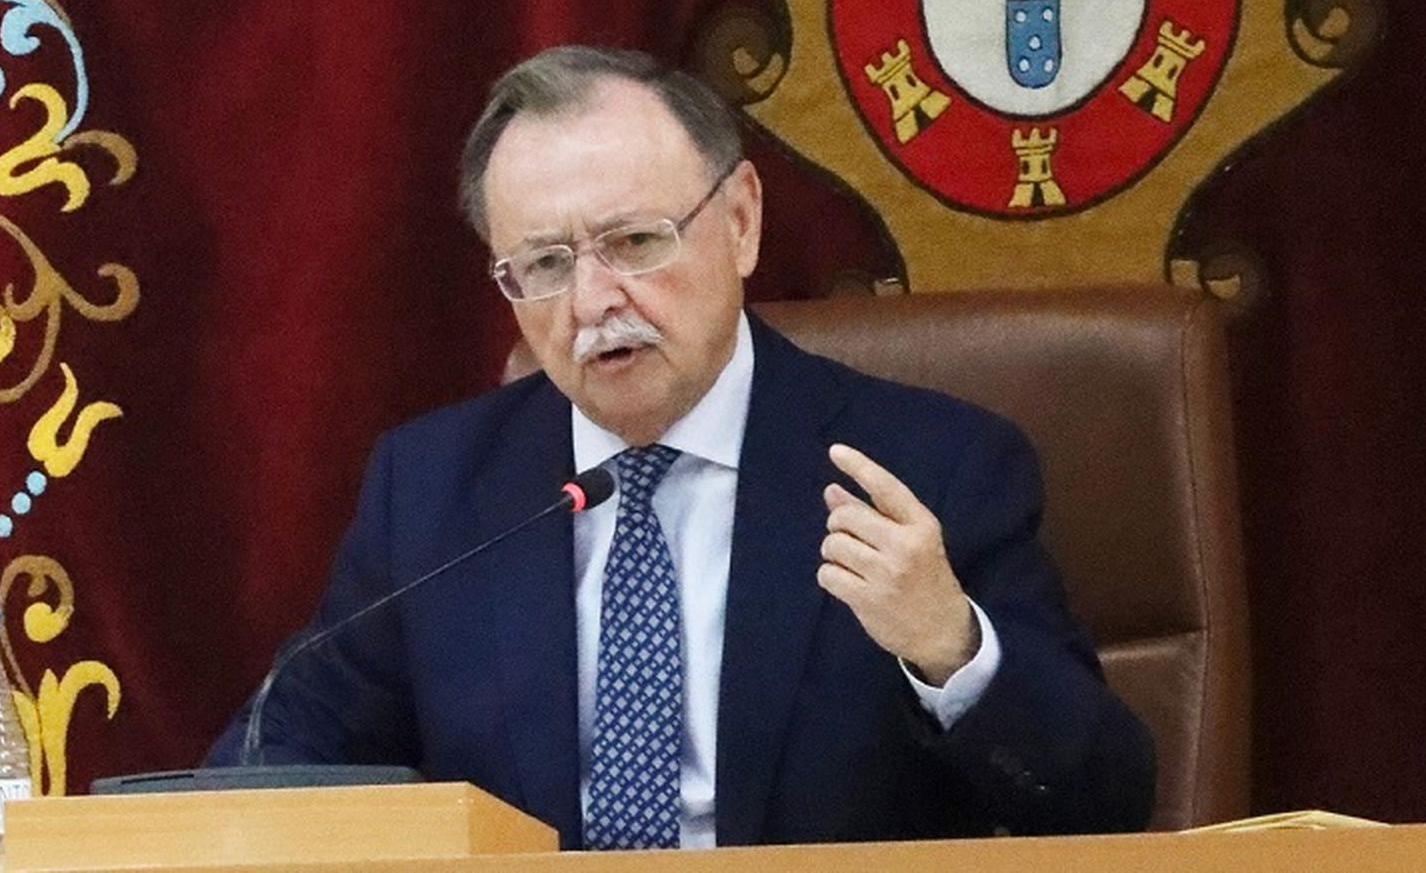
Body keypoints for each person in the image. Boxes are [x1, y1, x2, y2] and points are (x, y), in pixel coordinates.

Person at [207, 46, 1154, 848]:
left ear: (739, 222)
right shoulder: (434, 491)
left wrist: (951, 649)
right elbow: (278, 762)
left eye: (633, 242)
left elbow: (1104, 806)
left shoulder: (932, 467)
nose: (593, 302)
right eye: (544, 264)